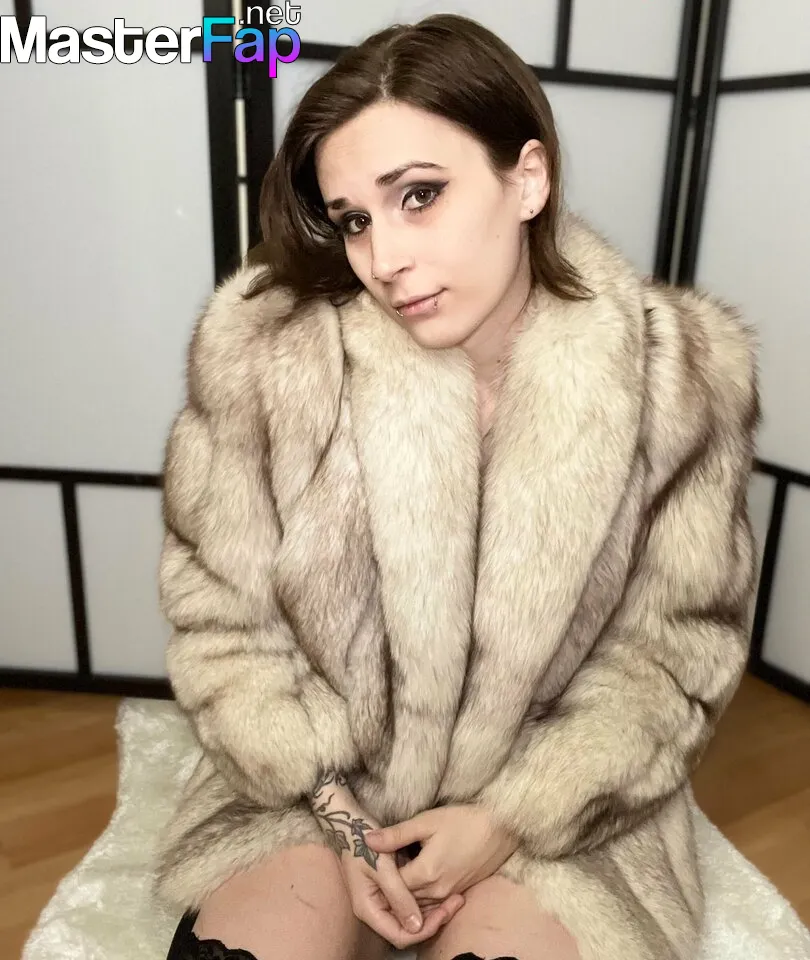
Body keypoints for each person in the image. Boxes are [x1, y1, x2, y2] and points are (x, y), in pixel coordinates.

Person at [155, 13, 761, 960]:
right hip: (314, 784)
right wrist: (340, 816)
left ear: (528, 178)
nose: (383, 259)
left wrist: (512, 817)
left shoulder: (679, 379)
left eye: (420, 196)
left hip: (558, 805)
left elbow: (674, 653)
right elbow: (223, 622)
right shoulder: (269, 356)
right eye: (355, 219)